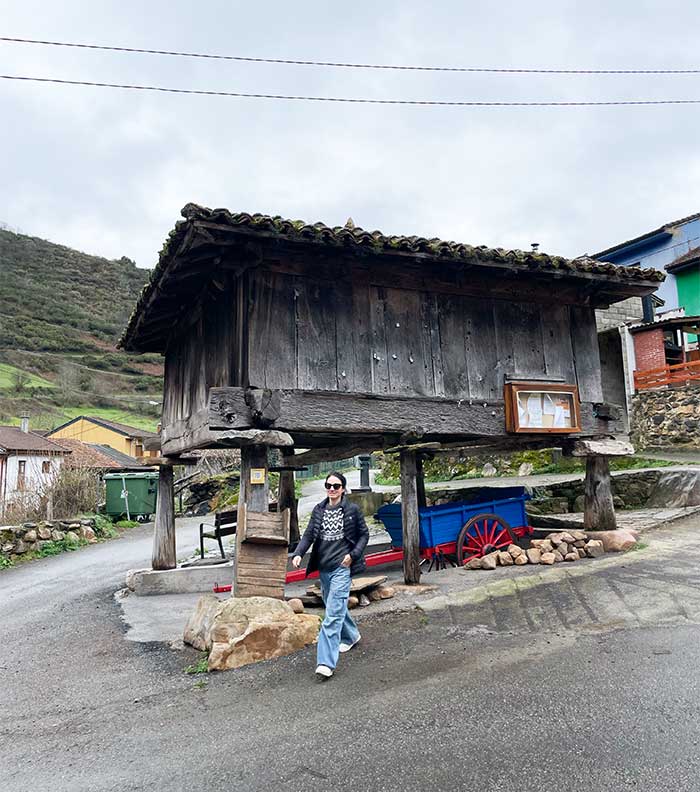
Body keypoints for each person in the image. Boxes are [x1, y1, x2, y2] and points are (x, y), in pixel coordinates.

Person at [292, 471, 369, 680]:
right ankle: (351, 636)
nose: (332, 489)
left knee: (332, 616)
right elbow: (309, 534)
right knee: (334, 605)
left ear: (343, 489)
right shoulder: (319, 509)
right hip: (324, 569)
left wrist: (352, 556)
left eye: (336, 486)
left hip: (342, 569)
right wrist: (298, 553)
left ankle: (325, 662)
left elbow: (364, 535)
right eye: (329, 485)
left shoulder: (352, 510)